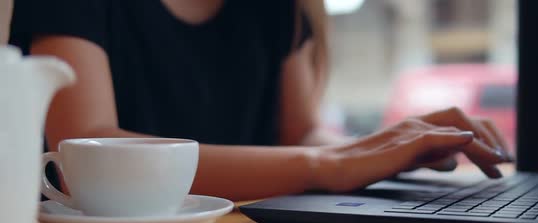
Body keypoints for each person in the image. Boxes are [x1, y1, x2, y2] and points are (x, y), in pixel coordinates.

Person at [9, 0, 512, 201]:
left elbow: (300, 135)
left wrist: (386, 147)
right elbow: (87, 152)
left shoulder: (276, 5)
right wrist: (327, 164)